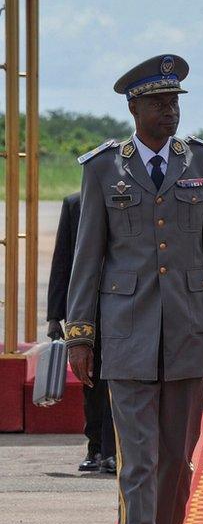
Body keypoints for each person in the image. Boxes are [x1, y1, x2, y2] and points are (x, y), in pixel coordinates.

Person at [65, 54, 203, 524]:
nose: (170, 112)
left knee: (177, 463)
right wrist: (80, 336)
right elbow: (87, 257)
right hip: (127, 337)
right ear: (134, 108)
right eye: (159, 104)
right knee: (138, 464)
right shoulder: (105, 168)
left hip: (190, 333)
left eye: (175, 103)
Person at [47, 192, 116, 473]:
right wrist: (54, 316)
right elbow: (62, 261)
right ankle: (96, 447)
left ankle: (113, 451)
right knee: (91, 383)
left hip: (126, 308)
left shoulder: (130, 199)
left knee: (119, 382)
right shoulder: (75, 204)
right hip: (88, 311)